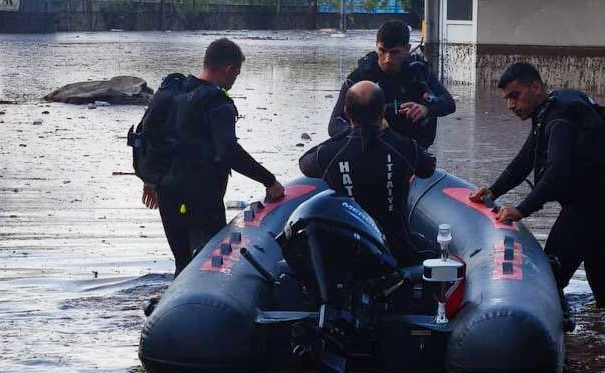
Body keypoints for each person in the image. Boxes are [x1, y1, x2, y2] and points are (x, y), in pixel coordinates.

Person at [469, 62, 605, 309]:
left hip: (591, 208)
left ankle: (560, 339)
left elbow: (558, 171)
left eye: (515, 96)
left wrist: (522, 209)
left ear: (535, 87)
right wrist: (493, 191)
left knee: (550, 276)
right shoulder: (548, 111)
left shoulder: (560, 120)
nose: (510, 105)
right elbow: (525, 159)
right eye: (506, 98)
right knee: (601, 283)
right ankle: (604, 339)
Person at [138, 38, 285, 275]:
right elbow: (228, 152)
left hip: (166, 193)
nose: (233, 81)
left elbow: (149, 135)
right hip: (201, 197)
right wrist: (269, 180)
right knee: (208, 264)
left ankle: (174, 306)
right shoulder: (217, 103)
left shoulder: (172, 89)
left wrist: (149, 179)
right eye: (236, 75)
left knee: (182, 261)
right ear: (228, 70)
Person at [301, 80, 437, 266]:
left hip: (345, 252)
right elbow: (428, 168)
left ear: (347, 113)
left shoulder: (329, 153)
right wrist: (390, 134)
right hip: (399, 249)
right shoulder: (403, 148)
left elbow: (304, 163)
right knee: (439, 251)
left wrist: (349, 133)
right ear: (382, 112)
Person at [328, 20, 455, 148]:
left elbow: (449, 103)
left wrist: (427, 108)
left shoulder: (418, 71)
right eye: (382, 51)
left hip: (412, 150)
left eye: (394, 52)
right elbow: (334, 125)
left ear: (407, 49)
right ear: (376, 46)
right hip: (373, 149)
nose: (387, 59)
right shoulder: (359, 78)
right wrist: (364, 129)